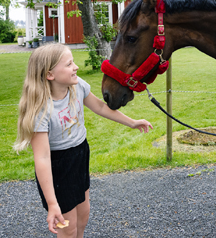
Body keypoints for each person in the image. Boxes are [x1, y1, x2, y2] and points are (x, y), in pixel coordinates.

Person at [14, 44, 153, 237]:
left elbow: (100, 107)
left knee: (83, 217)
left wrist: (132, 123)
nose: (76, 67)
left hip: (80, 155)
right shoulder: (41, 111)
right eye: (69, 64)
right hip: (58, 168)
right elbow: (43, 158)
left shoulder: (77, 85)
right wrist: (53, 204)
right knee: (68, 229)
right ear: (50, 74)